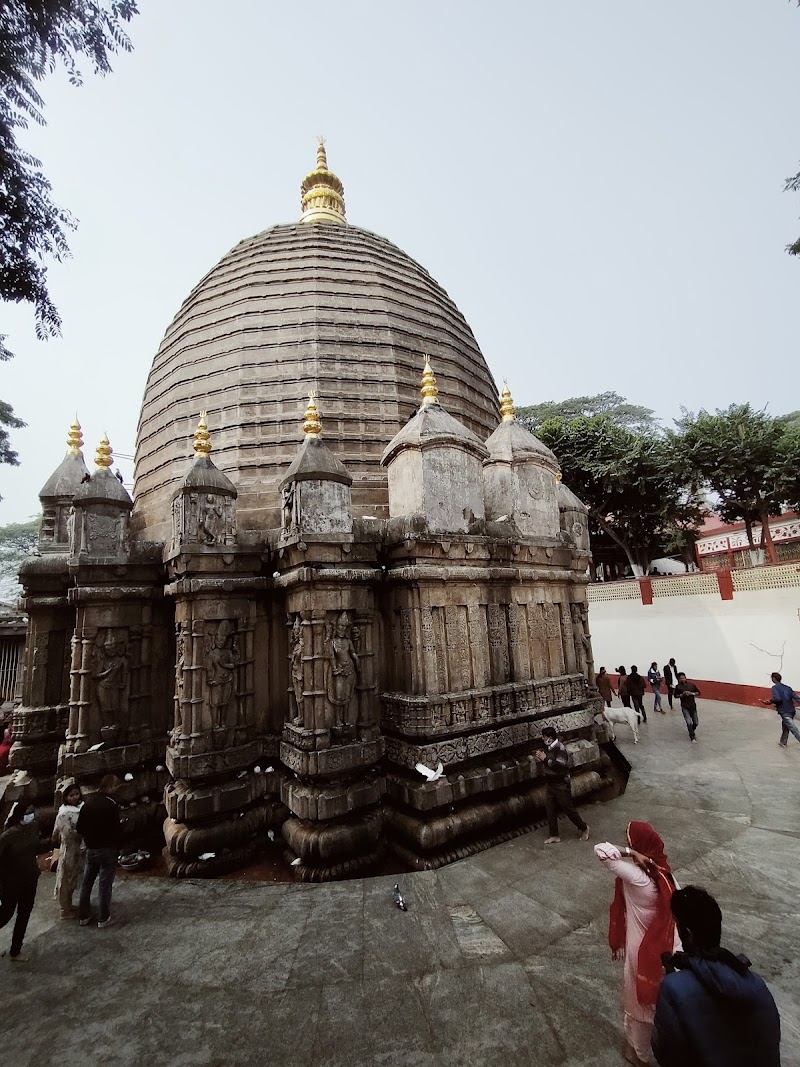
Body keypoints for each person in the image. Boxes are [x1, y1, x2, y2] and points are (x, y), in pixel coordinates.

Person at [652, 885, 781, 1067]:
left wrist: (672, 979)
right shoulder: (756, 983)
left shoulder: (673, 987)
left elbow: (665, 1053)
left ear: (687, 933)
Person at [594, 822, 680, 1067]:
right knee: (641, 1000)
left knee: (641, 1007)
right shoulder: (664, 873)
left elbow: (601, 850)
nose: (628, 843)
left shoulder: (638, 877)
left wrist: (631, 854)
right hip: (664, 947)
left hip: (641, 952)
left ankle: (639, 1056)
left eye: (630, 840)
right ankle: (631, 1041)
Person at [77, 774, 122, 928]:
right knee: (104, 884)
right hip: (107, 849)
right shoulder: (111, 805)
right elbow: (116, 830)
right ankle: (103, 918)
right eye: (116, 786)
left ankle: (84, 916)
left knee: (87, 882)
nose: (117, 789)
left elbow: (79, 828)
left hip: (91, 849)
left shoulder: (87, 803)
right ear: (110, 787)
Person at [0, 802, 41, 961]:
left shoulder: (34, 826)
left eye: (32, 812)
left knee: (24, 914)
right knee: (5, 914)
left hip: (30, 878)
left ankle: (15, 951)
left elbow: (36, 847)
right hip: (11, 882)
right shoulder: (8, 836)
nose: (30, 815)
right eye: (27, 812)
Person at [535, 726, 590, 845]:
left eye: (544, 737)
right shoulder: (549, 748)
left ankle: (584, 827)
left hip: (561, 784)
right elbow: (550, 762)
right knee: (550, 809)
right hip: (551, 783)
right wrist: (542, 758)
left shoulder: (560, 748)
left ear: (549, 738)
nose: (543, 739)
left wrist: (545, 759)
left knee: (568, 809)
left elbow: (560, 765)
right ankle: (554, 834)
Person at [53, 780, 84, 920]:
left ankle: (69, 903)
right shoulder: (64, 813)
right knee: (65, 878)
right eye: (71, 795)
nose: (75, 797)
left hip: (80, 848)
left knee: (73, 878)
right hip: (69, 848)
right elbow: (66, 833)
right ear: (65, 797)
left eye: (77, 794)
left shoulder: (81, 808)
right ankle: (64, 909)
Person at [761, 671, 800, 748]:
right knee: (785, 726)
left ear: (774, 679)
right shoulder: (788, 688)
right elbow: (797, 698)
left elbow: (777, 698)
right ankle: (783, 742)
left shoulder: (775, 688)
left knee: (793, 728)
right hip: (791, 710)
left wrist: (770, 701)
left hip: (784, 711)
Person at [674, 673, 701, 743]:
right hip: (685, 706)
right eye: (681, 678)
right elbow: (675, 696)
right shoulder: (678, 687)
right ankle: (692, 736)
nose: (683, 679)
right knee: (688, 722)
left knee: (696, 722)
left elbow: (698, 692)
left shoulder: (691, 685)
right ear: (679, 679)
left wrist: (692, 693)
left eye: (684, 678)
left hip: (692, 706)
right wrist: (682, 695)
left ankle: (692, 729)